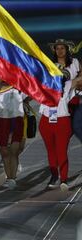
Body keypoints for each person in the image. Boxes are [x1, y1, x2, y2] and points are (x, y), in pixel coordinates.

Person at [39, 39, 82, 191]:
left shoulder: (69, 84)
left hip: (63, 120)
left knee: (61, 150)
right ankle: (54, 176)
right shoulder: (44, 86)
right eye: (57, 49)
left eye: (62, 48)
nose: (60, 51)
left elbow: (79, 80)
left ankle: (63, 179)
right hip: (45, 121)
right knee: (51, 151)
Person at [0, 79, 26, 189]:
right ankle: (9, 177)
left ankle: (12, 178)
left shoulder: (20, 81)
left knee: (14, 151)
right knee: (5, 152)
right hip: (1, 119)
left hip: (17, 118)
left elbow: (29, 95)